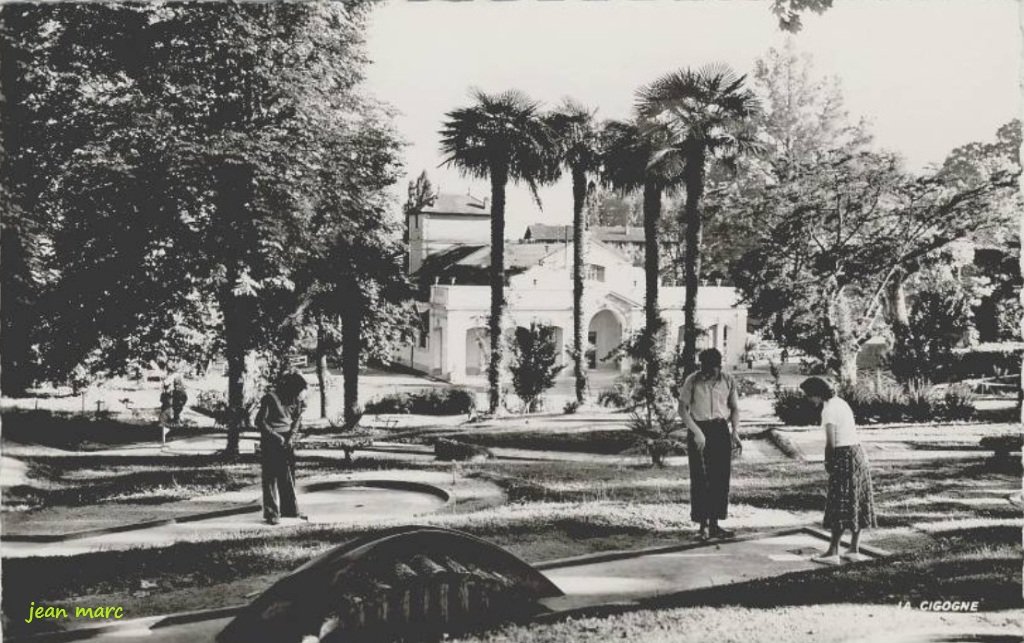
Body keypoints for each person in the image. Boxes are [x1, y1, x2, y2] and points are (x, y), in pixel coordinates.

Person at [800, 376, 877, 564]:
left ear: (816, 394)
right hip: (858, 453)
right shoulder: (841, 403)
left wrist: (828, 462)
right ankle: (853, 548)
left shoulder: (828, 410)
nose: (808, 400)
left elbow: (831, 442)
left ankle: (833, 552)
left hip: (843, 456)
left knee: (839, 502)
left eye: (808, 396)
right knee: (857, 500)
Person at [673, 348, 742, 541]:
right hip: (698, 430)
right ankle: (702, 526)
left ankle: (715, 525)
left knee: (720, 478)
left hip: (720, 430)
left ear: (719, 366)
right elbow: (682, 409)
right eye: (703, 368)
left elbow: (735, 408)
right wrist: (697, 433)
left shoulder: (728, 380)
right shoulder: (692, 380)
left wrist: (735, 432)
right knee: (701, 478)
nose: (706, 373)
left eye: (710, 369)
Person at [256, 372, 309, 525]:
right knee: (271, 477)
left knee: (288, 476)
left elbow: (297, 419)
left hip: (288, 440)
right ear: (292, 389)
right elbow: (260, 421)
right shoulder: (270, 398)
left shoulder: (296, 400)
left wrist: (291, 437)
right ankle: (272, 513)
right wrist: (276, 437)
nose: (301, 396)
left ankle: (290, 510)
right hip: (271, 441)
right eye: (299, 392)